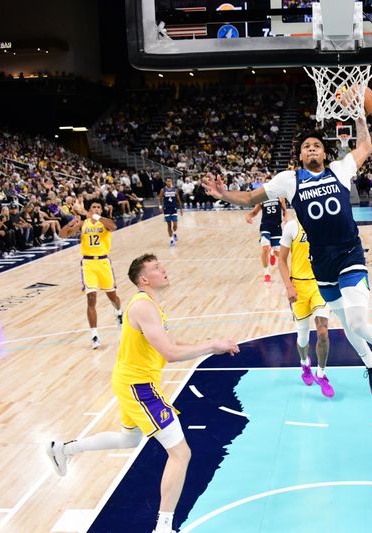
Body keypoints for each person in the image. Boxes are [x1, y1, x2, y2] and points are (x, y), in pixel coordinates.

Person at [203, 117, 372, 397]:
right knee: (346, 325)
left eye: (316, 146)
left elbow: (365, 145)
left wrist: (359, 117)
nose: (311, 149)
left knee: (357, 322)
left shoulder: (340, 170)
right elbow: (249, 199)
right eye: (306, 146)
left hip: (349, 254)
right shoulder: (289, 180)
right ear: (299, 155)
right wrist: (223, 194)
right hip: (321, 263)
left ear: (324, 153)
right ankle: (370, 363)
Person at [47, 254, 239, 533]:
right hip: (140, 387)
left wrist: (214, 344)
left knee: (129, 438)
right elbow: (171, 354)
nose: (164, 270)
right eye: (156, 268)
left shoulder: (151, 306)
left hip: (131, 381)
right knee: (181, 454)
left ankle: (63, 450)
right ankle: (163, 527)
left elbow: (170, 342)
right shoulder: (143, 307)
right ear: (143, 279)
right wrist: (210, 346)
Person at [278, 216, 333, 397]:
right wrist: (289, 286)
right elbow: (282, 260)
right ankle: (304, 363)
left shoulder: (326, 224)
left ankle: (321, 373)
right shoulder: (292, 227)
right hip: (299, 287)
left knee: (323, 332)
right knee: (303, 337)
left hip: (319, 284)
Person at [79, 200, 123, 349]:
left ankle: (118, 311)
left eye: (98, 207)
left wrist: (95, 216)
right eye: (94, 207)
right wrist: (69, 224)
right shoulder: (84, 224)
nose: (96, 209)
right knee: (91, 298)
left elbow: (113, 227)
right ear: (90, 209)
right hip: (88, 263)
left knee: (112, 296)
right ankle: (94, 335)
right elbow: (64, 234)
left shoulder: (105, 222)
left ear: (101, 210)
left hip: (104, 263)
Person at [245, 187, 287, 283]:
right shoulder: (261, 199)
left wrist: (285, 218)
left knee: (279, 254)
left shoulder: (280, 197)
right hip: (265, 227)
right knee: (265, 248)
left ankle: (272, 253)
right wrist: (248, 216)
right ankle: (267, 273)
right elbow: (254, 212)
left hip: (277, 228)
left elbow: (284, 210)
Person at [159, 178, 183, 247]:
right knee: (169, 225)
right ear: (166, 182)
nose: (168, 182)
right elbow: (160, 199)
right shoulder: (163, 190)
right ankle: (171, 239)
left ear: (172, 182)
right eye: (167, 181)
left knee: (175, 225)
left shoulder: (175, 190)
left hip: (174, 208)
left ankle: (174, 232)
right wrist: (160, 207)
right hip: (166, 209)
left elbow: (178, 199)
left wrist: (181, 209)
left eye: (170, 181)